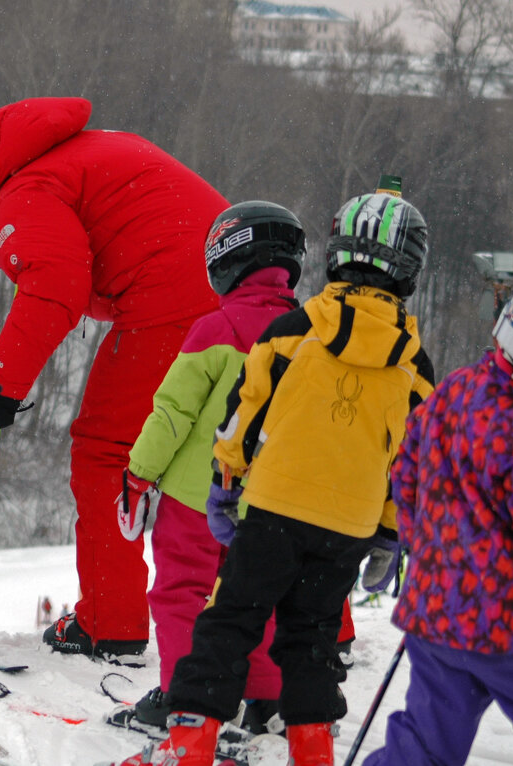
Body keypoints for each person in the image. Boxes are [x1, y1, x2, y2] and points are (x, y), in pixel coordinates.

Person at [106, 191, 435, 766]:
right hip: (348, 524)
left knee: (227, 620)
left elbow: (242, 413)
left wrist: (224, 483)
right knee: (310, 639)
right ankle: (309, 749)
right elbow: (410, 459)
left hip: (274, 508)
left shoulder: (295, 328)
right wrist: (390, 531)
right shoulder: (413, 361)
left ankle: (189, 745)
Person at [0, 96, 229, 663]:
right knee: (234, 453)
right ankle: (305, 626)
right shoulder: (79, 154)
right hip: (232, 292)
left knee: (105, 451)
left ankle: (109, 622)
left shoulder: (25, 189)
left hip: (170, 299)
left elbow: (55, 288)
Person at [364, 264, 513, 765]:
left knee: (425, 746)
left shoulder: (452, 392)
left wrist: (434, 549)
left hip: (437, 618)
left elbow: (406, 476)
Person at [111, 201, 304, 737]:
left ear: (227, 260)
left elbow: (172, 414)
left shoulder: (214, 329)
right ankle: (264, 697)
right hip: (268, 502)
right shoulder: (307, 336)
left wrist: (138, 474)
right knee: (258, 595)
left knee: (181, 592)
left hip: (196, 499)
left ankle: (183, 693)